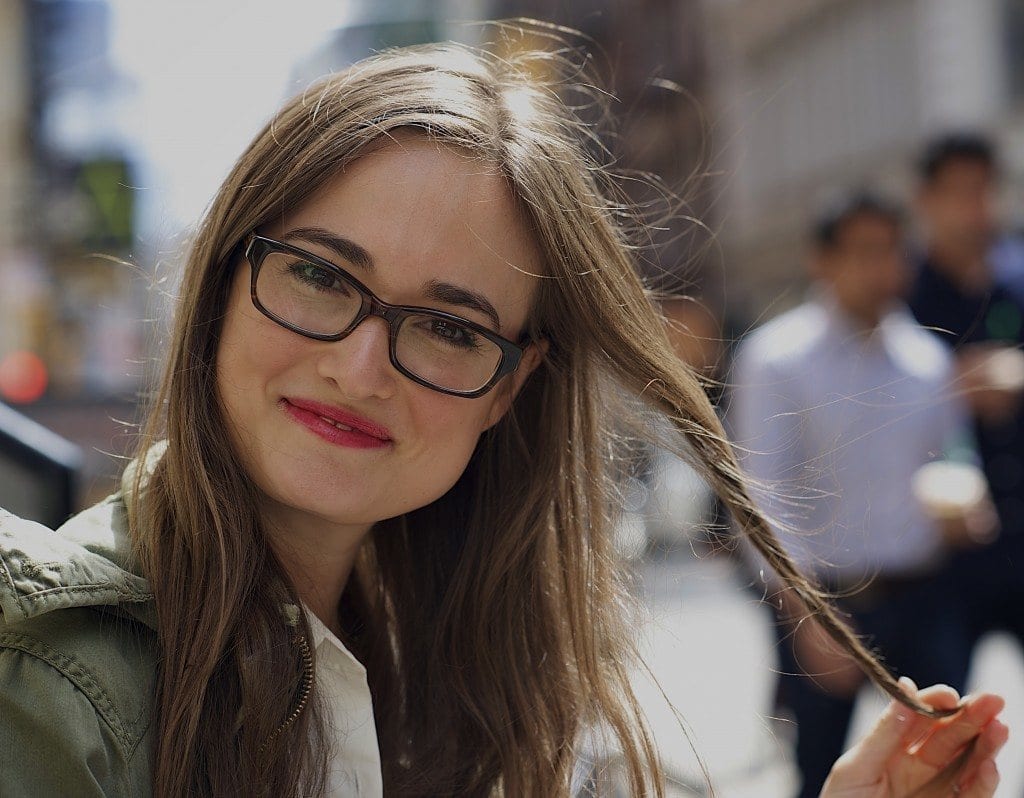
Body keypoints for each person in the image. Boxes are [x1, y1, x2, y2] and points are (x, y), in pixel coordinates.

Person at [0, 41, 1007, 797]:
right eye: (318, 275)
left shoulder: (475, 680)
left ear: (508, 389)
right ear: (223, 283)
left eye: (447, 326)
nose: (360, 367)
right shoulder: (51, 686)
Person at [730, 191, 999, 798]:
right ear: (822, 261)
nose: (885, 269)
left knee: (948, 764)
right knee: (827, 773)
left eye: (892, 252)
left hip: (925, 593)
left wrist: (966, 502)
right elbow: (761, 497)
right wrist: (808, 615)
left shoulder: (925, 357)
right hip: (828, 599)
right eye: (866, 252)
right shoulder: (777, 359)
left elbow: (954, 455)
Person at [908, 132, 1024, 665]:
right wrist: (952, 387)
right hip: (938, 553)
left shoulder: (1016, 277)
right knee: (944, 724)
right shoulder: (899, 292)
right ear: (924, 200)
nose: (972, 209)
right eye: (957, 193)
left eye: (981, 191)